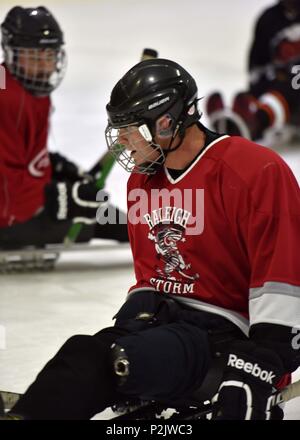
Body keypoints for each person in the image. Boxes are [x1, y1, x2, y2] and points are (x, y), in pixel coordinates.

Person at [5, 58, 300, 420]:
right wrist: (136, 317)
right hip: (168, 328)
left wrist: (260, 364)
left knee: (117, 363)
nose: (124, 143)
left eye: (130, 130)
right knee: (85, 351)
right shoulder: (142, 182)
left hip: (225, 340)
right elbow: (151, 275)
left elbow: (283, 275)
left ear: (165, 122)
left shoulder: (254, 169)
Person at [0, 6, 128, 250]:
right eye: (35, 57)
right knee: (105, 219)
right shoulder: (6, 99)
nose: (45, 66)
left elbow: (18, 156)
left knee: (107, 216)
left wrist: (56, 166)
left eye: (50, 57)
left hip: (22, 199)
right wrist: (60, 198)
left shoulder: (24, 86)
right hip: (9, 218)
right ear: (11, 53)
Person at [206, 0, 300, 142]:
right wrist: (255, 94)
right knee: (273, 82)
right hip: (282, 90)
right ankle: (237, 121)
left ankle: (256, 122)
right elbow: (257, 69)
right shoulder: (269, 18)